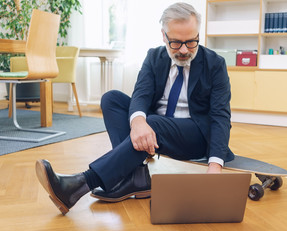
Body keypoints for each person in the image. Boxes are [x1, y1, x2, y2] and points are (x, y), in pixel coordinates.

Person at [35, 2, 234, 215]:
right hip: (155, 131)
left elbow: (220, 116)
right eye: (176, 42)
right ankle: (136, 177)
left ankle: (79, 185)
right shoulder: (154, 56)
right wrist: (138, 122)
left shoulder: (215, 64)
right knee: (111, 99)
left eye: (191, 42)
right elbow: (141, 93)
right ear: (164, 36)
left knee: (153, 123)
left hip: (195, 135)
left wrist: (215, 165)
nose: (184, 50)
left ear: (198, 35)